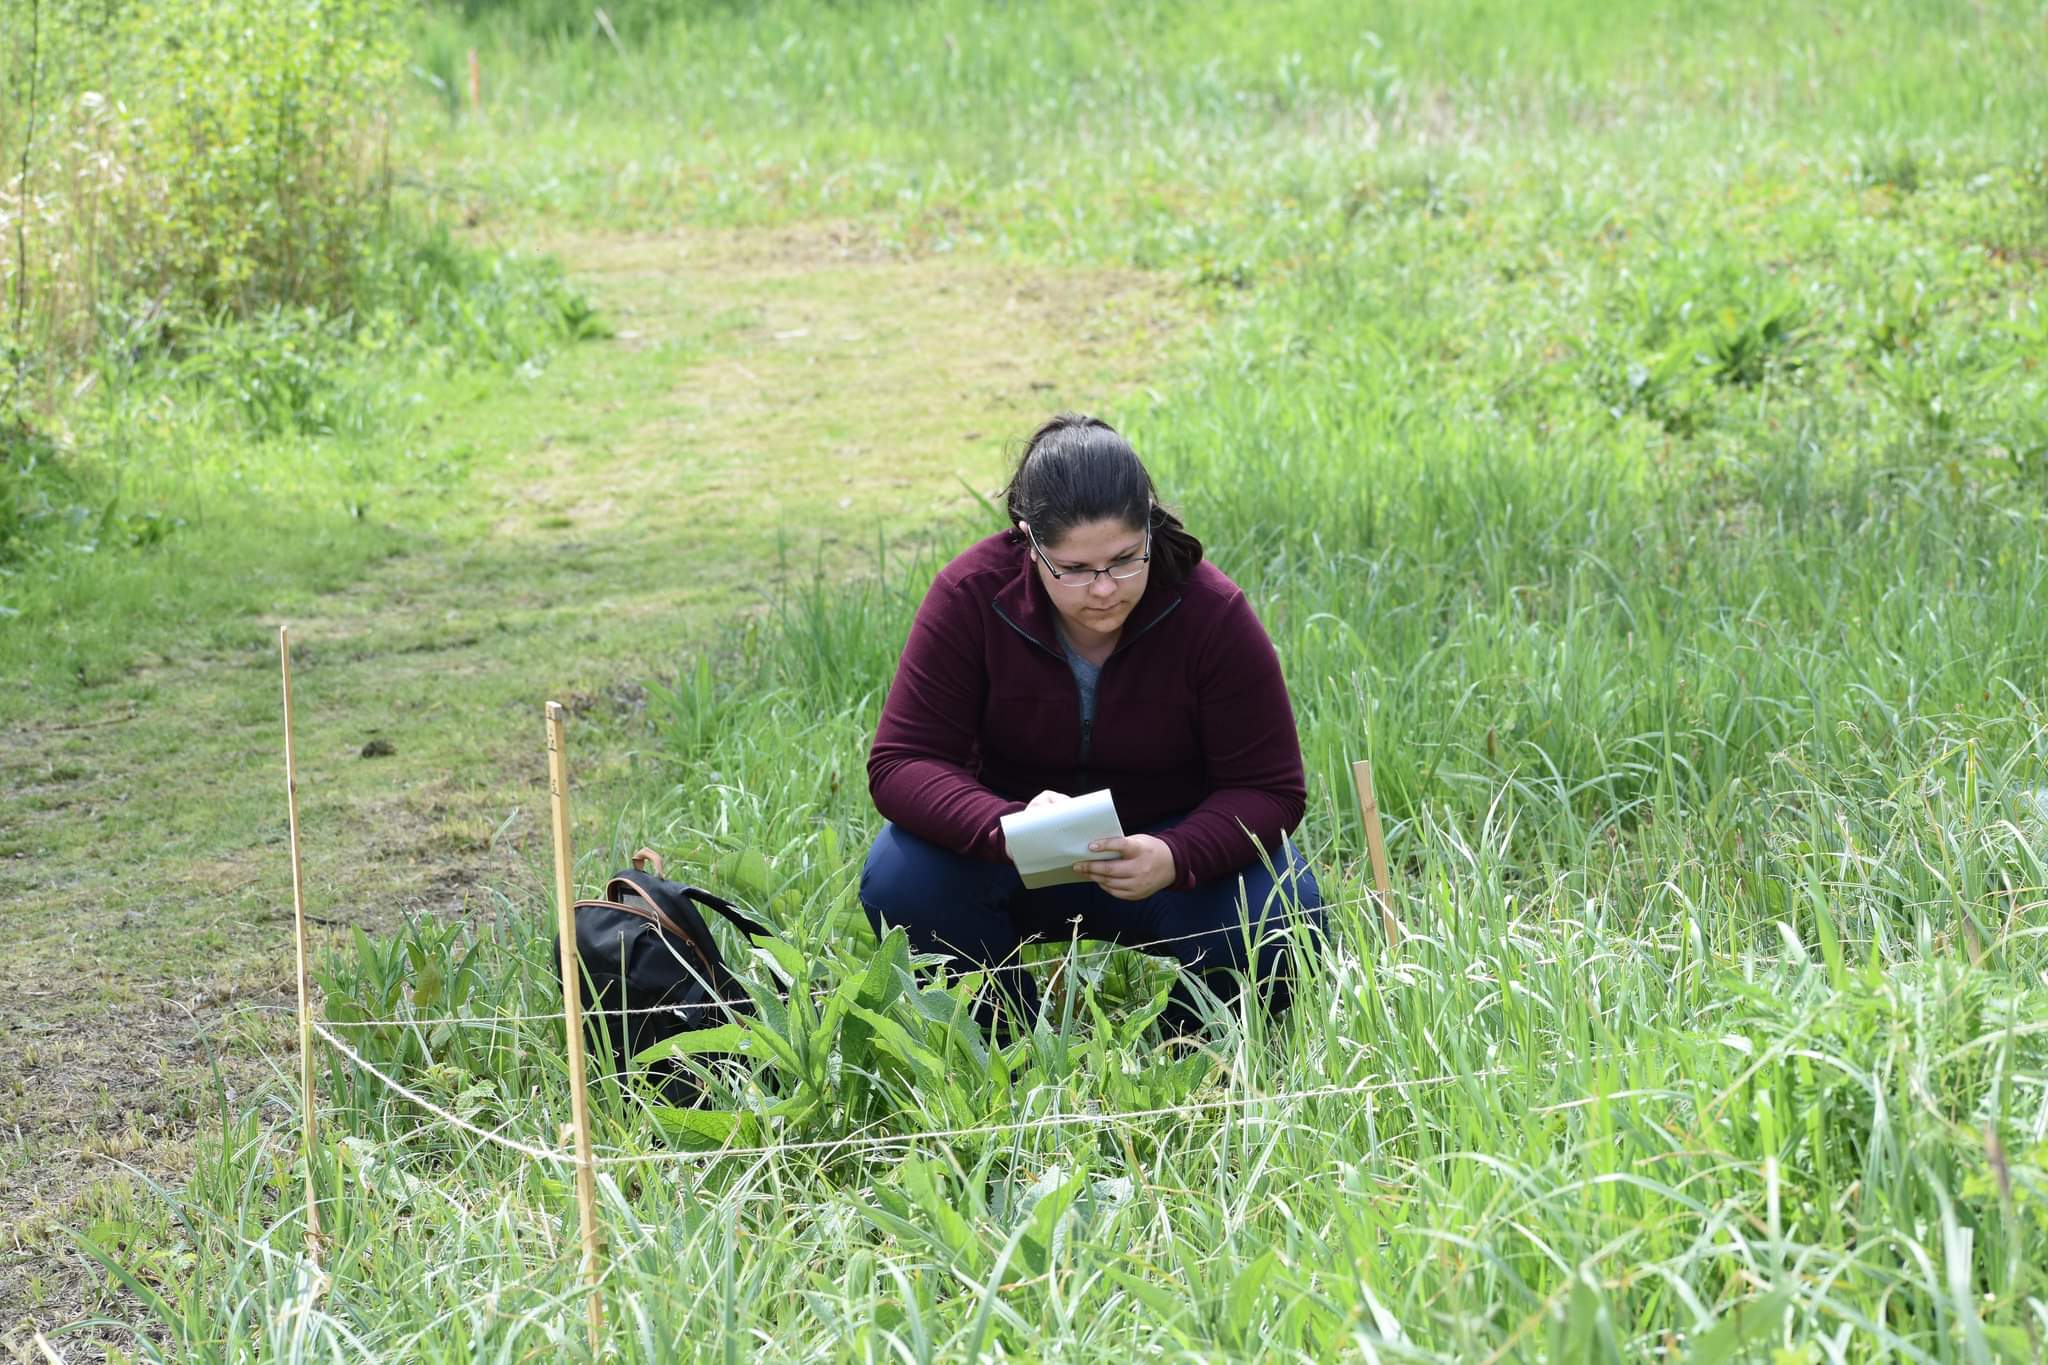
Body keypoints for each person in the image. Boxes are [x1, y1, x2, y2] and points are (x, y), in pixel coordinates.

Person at [860, 412, 1323, 1037]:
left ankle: (1196, 1059)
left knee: (1281, 908)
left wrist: (1175, 853)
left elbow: (1271, 790)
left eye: (1126, 560)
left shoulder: (1211, 613)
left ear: (1150, 527)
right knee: (901, 878)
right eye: (1074, 569)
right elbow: (901, 762)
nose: (1104, 589)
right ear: (1029, 541)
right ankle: (1003, 1048)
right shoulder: (971, 595)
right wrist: (1007, 826)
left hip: (1163, 848)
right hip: (1010, 842)